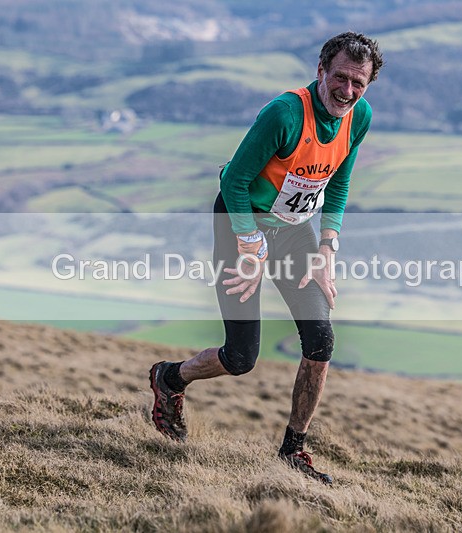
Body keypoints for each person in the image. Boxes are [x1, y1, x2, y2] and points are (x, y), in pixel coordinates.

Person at [149, 32, 383, 485]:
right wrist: (250, 244)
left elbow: (338, 183)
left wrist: (327, 247)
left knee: (321, 342)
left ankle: (293, 450)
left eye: (359, 83)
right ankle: (170, 378)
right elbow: (234, 181)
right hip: (240, 223)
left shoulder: (360, 117)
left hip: (294, 232)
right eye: (340, 78)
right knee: (241, 357)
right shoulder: (284, 114)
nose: (347, 91)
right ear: (320, 70)